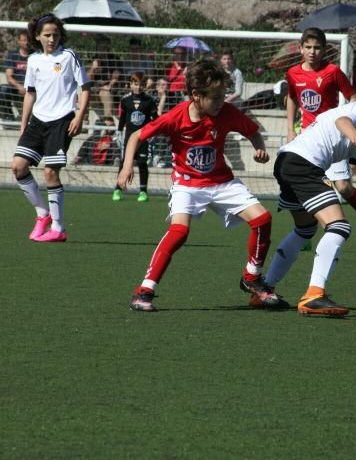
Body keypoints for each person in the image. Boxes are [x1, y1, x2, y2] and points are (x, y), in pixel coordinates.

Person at [118, 58, 276, 312]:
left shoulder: (226, 112)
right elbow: (136, 135)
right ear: (195, 95)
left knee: (263, 220)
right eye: (215, 98)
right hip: (187, 184)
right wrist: (127, 167)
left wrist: (260, 147)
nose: (221, 102)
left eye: (223, 96)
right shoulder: (175, 117)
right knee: (179, 232)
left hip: (222, 182)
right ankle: (144, 290)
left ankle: (252, 277)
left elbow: (252, 131)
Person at [263, 82, 356, 316]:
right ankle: (314, 295)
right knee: (340, 226)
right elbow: (341, 121)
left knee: (304, 230)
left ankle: (264, 291)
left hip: (288, 161)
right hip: (304, 164)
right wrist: (354, 134)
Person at [285, 27, 356, 249]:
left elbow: (353, 97)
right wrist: (290, 128)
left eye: (317, 48)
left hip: (333, 136)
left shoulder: (333, 72)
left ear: (325, 50)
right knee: (299, 188)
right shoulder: (293, 73)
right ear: (301, 49)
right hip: (308, 139)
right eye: (308, 47)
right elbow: (292, 98)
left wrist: (353, 124)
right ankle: (305, 234)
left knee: (343, 187)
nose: (312, 52)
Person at [11, 13, 91, 243]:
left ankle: (58, 228)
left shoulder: (69, 56)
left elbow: (84, 88)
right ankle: (42, 212)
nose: (51, 39)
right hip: (37, 121)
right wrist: (23, 125)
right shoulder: (34, 60)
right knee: (18, 167)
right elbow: (30, 93)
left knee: (50, 172)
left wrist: (80, 117)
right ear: (37, 36)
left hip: (62, 121)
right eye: (46, 35)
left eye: (55, 35)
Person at [112, 71, 165, 202]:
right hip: (129, 138)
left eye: (141, 84)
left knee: (142, 163)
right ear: (131, 84)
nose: (138, 87)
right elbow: (123, 118)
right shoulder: (125, 100)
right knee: (124, 162)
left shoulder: (149, 101)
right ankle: (118, 189)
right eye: (135, 84)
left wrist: (154, 133)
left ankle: (143, 191)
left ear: (144, 86)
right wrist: (119, 131)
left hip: (143, 137)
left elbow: (155, 118)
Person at [0, 30, 31, 128]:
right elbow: (9, 77)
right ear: (19, 41)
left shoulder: (36, 55)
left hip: (32, 89)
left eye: (28, 40)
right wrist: (20, 87)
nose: (26, 42)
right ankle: (9, 117)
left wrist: (29, 88)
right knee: (3, 89)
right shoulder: (13, 56)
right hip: (17, 89)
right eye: (24, 40)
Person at [86, 34, 122, 121]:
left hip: (106, 90)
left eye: (105, 47)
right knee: (83, 91)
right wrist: (93, 69)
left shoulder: (114, 60)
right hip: (94, 91)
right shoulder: (93, 60)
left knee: (105, 93)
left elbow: (116, 75)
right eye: (101, 47)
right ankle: (84, 119)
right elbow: (86, 79)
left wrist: (109, 85)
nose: (103, 49)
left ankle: (108, 121)